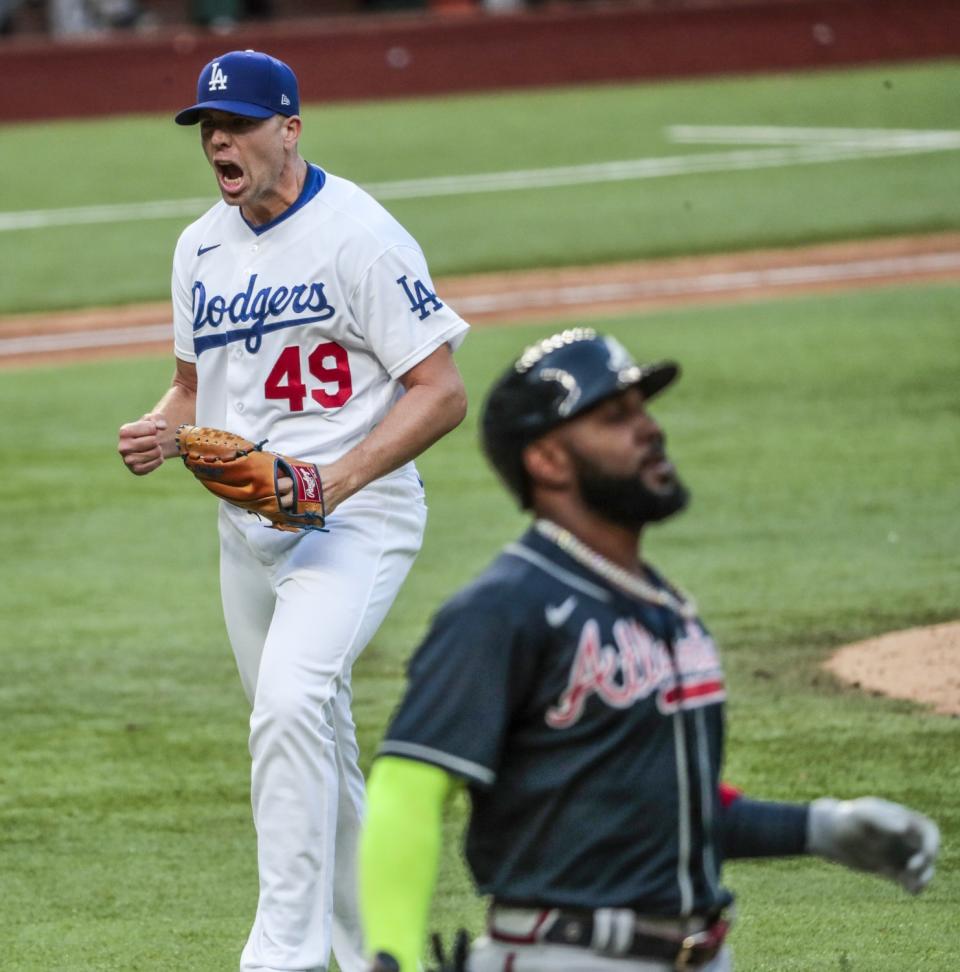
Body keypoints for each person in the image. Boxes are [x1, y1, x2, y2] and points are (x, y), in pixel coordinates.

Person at [358, 327, 939, 972]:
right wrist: (393, 957)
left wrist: (820, 828)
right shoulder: (504, 608)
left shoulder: (663, 607)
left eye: (644, 411)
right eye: (614, 417)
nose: (649, 430)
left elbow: (659, 807)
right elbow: (407, 785)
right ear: (547, 461)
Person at [116, 49, 469, 972]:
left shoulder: (361, 236)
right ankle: (374, 951)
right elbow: (195, 388)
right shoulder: (200, 246)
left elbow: (441, 390)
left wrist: (332, 483)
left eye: (236, 124)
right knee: (314, 733)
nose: (219, 142)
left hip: (355, 520)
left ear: (292, 130)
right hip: (246, 534)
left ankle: (280, 953)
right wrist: (162, 428)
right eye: (208, 128)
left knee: (286, 707)